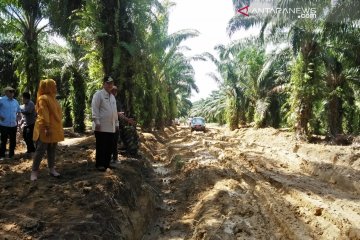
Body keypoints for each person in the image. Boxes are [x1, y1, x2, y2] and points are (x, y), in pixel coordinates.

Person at [30, 79, 64, 181]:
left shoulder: (53, 98)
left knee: (52, 149)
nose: (56, 87)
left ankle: (52, 169)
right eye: (54, 85)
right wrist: (47, 127)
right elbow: (43, 115)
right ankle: (34, 171)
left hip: (54, 128)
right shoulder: (43, 99)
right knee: (40, 150)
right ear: (48, 87)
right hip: (45, 129)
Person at [91, 76, 119, 171]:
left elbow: (114, 112)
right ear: (104, 84)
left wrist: (116, 124)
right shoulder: (98, 95)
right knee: (101, 145)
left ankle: (107, 164)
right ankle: (99, 164)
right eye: (108, 83)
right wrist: (97, 121)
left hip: (111, 126)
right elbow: (95, 108)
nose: (110, 85)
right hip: (101, 126)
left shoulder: (112, 97)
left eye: (111, 83)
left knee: (109, 146)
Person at [0, 86, 21, 160]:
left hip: (13, 125)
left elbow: (19, 111)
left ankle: (11, 155)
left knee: (13, 141)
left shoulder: (15, 101)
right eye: (10, 91)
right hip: (4, 124)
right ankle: (2, 155)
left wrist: (19, 116)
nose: (12, 93)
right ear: (6, 92)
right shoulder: (1, 100)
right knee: (3, 140)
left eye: (13, 91)